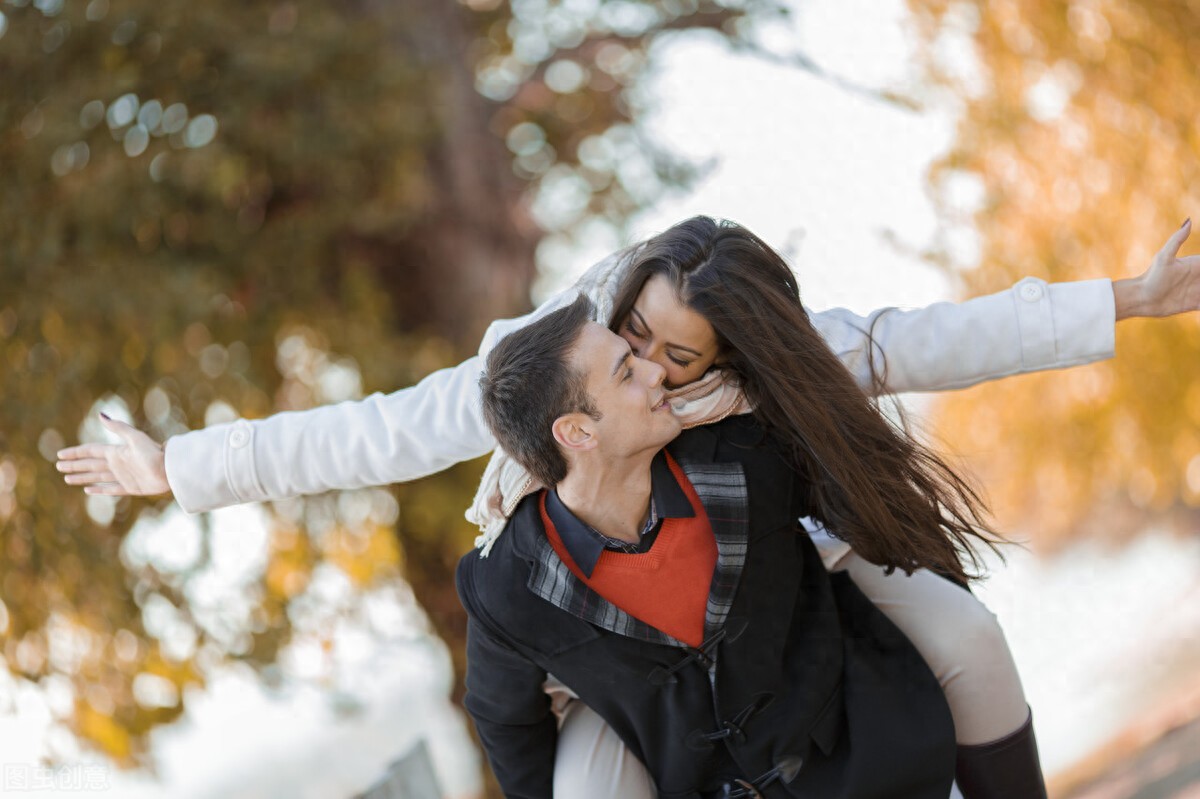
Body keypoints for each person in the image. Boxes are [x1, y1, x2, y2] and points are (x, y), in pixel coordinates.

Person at [56, 217, 1199, 797]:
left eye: (678, 359)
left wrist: (1128, 298)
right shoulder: (552, 364)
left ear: (729, 359)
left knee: (964, 630)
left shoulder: (762, 379)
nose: (649, 366)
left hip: (759, 565)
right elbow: (373, 432)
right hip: (595, 641)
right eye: (632, 341)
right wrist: (182, 468)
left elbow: (924, 340)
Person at [460, 293, 960, 798]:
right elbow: (506, 723)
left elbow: (881, 509)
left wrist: (953, 601)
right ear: (577, 431)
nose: (654, 371)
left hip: (876, 759)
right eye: (625, 373)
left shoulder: (745, 452)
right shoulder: (503, 585)